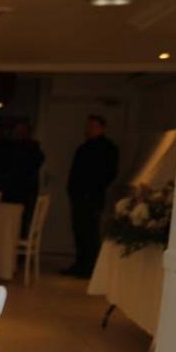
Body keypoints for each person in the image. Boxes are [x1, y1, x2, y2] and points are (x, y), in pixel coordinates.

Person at [63, 114, 119, 277]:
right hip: (78, 196)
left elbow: (110, 173)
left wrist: (94, 188)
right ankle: (80, 264)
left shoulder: (109, 149)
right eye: (88, 126)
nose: (88, 130)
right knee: (79, 231)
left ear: (101, 128)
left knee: (90, 233)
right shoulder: (84, 148)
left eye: (93, 126)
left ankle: (90, 267)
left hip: (93, 197)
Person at [2, 119, 46, 236]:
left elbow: (26, 170)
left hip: (25, 193)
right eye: (17, 131)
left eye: (21, 131)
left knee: (23, 223)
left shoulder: (33, 150)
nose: (18, 134)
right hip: (13, 192)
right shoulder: (11, 148)